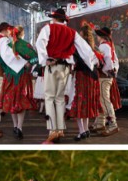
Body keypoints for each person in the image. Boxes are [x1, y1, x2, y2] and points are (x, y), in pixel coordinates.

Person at [36, 8, 97, 143]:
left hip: (52, 65)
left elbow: (40, 43)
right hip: (65, 68)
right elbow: (85, 49)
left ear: (55, 18)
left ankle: (53, 130)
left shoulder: (48, 28)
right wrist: (93, 63)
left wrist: (44, 59)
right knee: (59, 99)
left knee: (50, 98)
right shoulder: (72, 32)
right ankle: (60, 130)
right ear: (64, 20)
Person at [0, 22, 27, 138]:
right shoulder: (3, 40)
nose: (10, 33)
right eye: (10, 31)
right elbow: (6, 56)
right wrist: (21, 61)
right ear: (6, 29)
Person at [0, 25, 38, 140]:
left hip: (9, 77)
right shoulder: (26, 45)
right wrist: (28, 63)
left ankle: (15, 126)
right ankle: (19, 127)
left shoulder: (7, 46)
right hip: (22, 77)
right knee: (21, 102)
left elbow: (1, 60)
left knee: (12, 102)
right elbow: (35, 58)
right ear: (22, 33)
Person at [70, 24, 102, 141]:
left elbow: (74, 61)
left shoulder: (78, 47)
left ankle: (82, 131)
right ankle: (86, 129)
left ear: (82, 34)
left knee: (79, 103)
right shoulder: (94, 48)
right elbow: (98, 63)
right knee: (87, 103)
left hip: (82, 76)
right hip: (92, 77)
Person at [92, 26, 121, 137]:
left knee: (104, 101)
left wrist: (106, 70)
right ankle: (100, 123)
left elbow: (108, 60)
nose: (97, 37)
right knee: (103, 100)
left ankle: (113, 124)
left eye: (98, 35)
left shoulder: (104, 46)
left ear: (101, 36)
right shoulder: (110, 46)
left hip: (104, 77)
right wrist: (113, 71)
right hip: (107, 77)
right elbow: (116, 62)